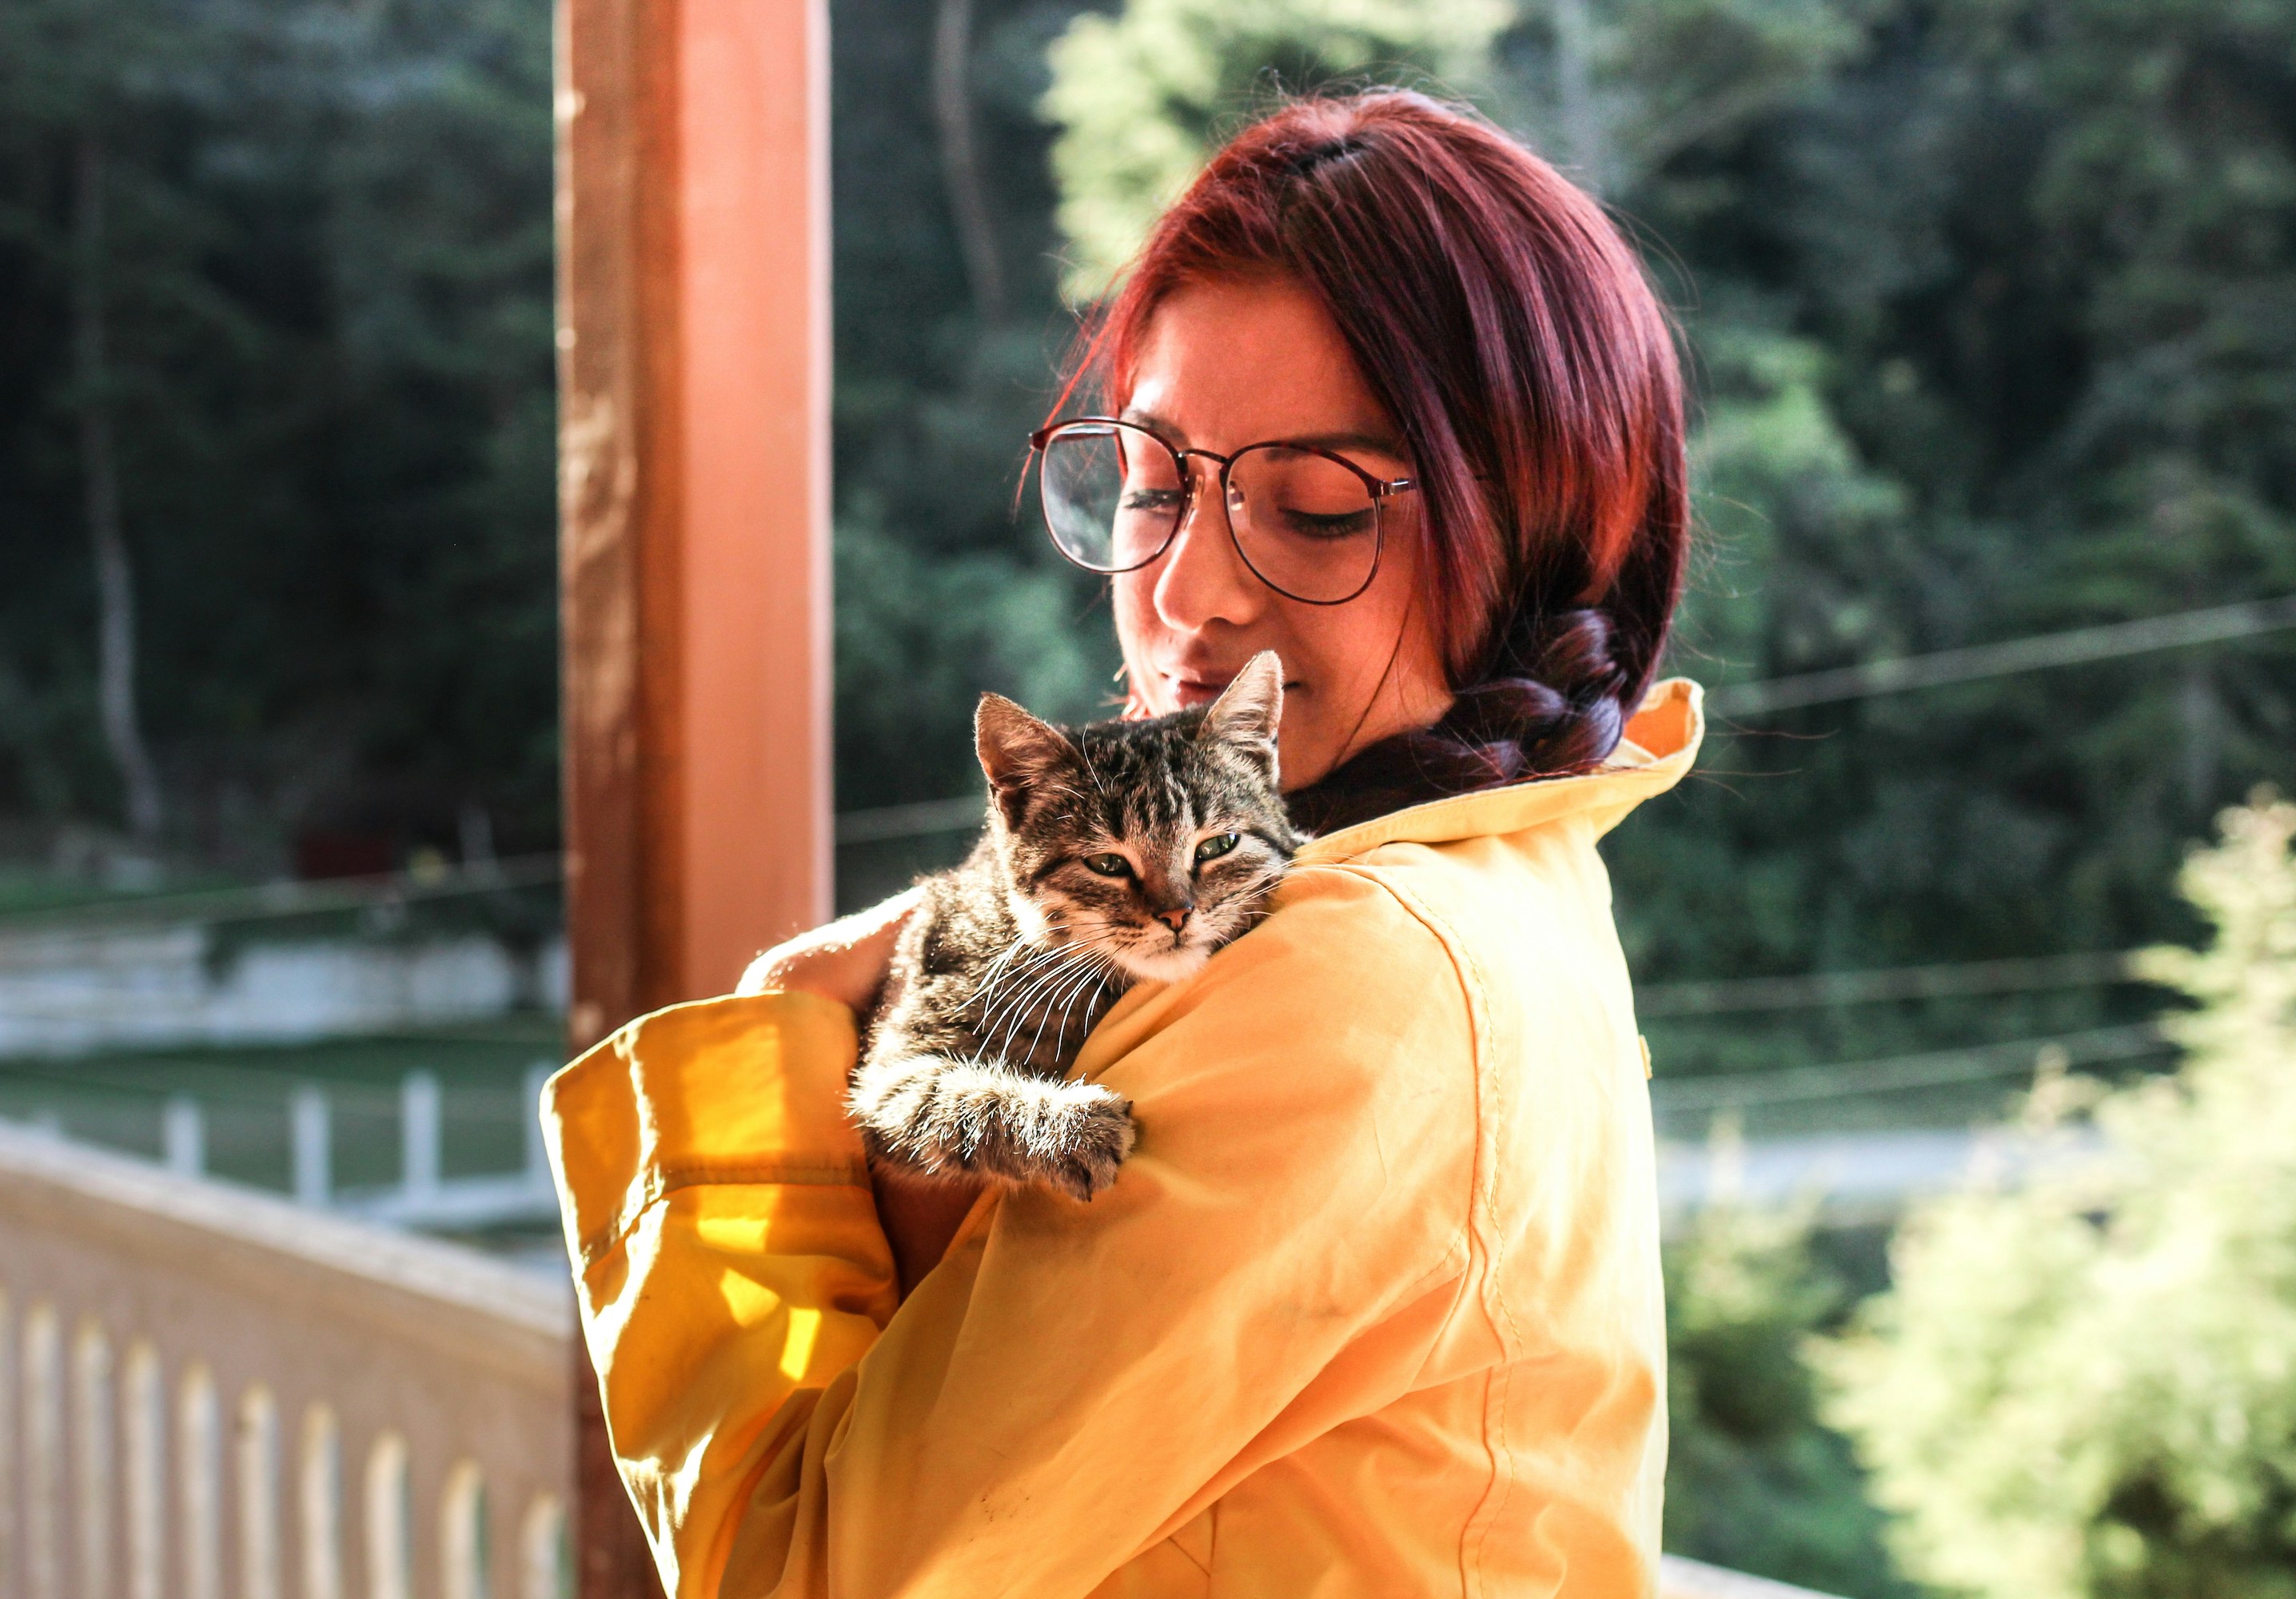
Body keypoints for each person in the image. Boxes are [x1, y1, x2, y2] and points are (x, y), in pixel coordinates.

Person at [545, 89, 1701, 1597]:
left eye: (1318, 510)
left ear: (1535, 538)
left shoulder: (1357, 971)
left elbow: (801, 1573)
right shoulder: (1512, 866)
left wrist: (769, 1047)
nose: (1186, 595)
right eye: (1154, 487)